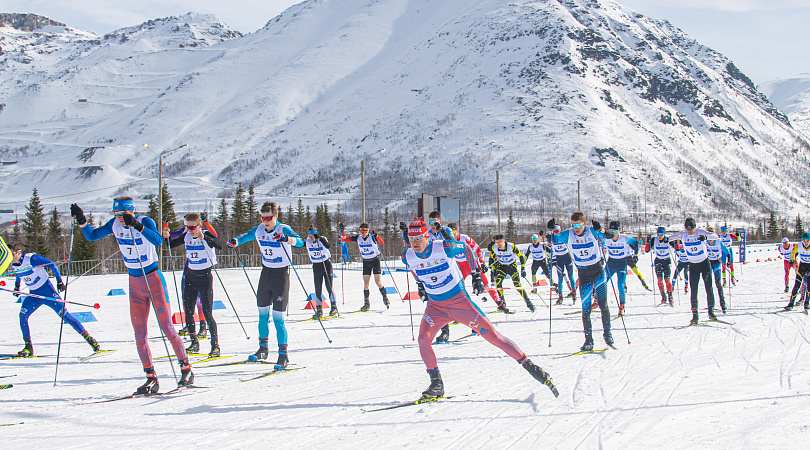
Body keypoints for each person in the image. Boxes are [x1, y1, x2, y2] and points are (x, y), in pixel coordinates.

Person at [403, 219, 558, 399]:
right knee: (423, 339)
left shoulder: (443, 247)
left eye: (418, 238)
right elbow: (413, 268)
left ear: (427, 237)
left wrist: (476, 274)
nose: (414, 242)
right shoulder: (407, 256)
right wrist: (420, 285)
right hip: (435, 307)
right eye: (411, 238)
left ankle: (532, 368)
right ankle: (436, 383)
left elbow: (468, 249)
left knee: (493, 336)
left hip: (459, 302)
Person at [72, 197, 193, 393]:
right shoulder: (114, 224)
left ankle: (186, 369)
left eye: (123, 214)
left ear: (132, 211)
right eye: (116, 214)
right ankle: (151, 377)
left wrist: (136, 225)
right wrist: (82, 220)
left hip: (153, 280)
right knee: (139, 335)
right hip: (135, 283)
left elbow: (157, 241)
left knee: (167, 329)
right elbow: (92, 236)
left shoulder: (145, 221)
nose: (119, 218)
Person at [228, 201, 303, 368]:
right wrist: (234, 241)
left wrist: (286, 239)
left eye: (268, 218)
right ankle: (263, 348)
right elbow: (243, 237)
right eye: (263, 218)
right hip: (265, 274)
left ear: (275, 216)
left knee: (278, 319)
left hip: (281, 276)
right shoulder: (259, 230)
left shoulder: (283, 229)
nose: (265, 221)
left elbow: (300, 242)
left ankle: (283, 355)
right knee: (262, 315)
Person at [9, 242, 102, 357]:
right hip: (33, 295)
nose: (9, 257)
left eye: (11, 254)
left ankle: (90, 340)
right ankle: (28, 347)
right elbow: (19, 273)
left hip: (47, 292)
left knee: (66, 316)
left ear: (18, 252)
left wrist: (59, 281)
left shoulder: (31, 259)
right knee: (23, 316)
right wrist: (17, 286)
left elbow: (52, 264)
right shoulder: (14, 262)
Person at [549, 213, 614, 351]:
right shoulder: (569, 234)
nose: (576, 228)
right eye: (573, 225)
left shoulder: (592, 231)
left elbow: (610, 236)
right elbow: (553, 239)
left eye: (578, 225)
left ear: (584, 223)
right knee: (585, 309)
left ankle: (607, 334)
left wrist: (601, 229)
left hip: (598, 271)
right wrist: (550, 230)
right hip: (584, 274)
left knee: (603, 305)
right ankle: (588, 341)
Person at [163, 213, 222, 357]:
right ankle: (194, 342)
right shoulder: (187, 236)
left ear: (199, 226)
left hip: (205, 278)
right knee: (188, 312)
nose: (190, 230)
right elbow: (170, 245)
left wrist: (205, 238)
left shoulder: (206, 234)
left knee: (208, 313)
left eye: (193, 227)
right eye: (187, 227)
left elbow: (219, 245)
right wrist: (166, 234)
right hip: (190, 277)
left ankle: (215, 346)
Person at [667, 218, 720, 325]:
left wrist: (705, 237)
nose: (690, 230)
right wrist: (664, 239)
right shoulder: (683, 234)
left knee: (709, 288)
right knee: (693, 290)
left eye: (692, 228)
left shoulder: (700, 232)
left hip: (705, 264)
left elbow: (715, 236)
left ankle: (711, 312)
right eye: (687, 228)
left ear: (695, 227)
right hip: (693, 265)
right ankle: (695, 316)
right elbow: (669, 238)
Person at [340, 222, 389, 312]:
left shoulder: (372, 237)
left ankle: (385, 297)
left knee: (378, 282)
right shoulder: (358, 238)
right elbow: (344, 239)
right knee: (366, 284)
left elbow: (381, 242)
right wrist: (342, 231)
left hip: (374, 261)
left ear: (368, 231)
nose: (362, 233)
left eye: (364, 231)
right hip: (366, 262)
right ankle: (366, 303)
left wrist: (377, 236)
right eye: (361, 231)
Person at [488, 235, 535, 312]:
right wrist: (493, 270)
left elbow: (520, 256)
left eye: (500, 243)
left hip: (512, 266)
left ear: (504, 241)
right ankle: (502, 304)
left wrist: (523, 269)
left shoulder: (511, 246)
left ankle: (529, 303)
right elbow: (492, 258)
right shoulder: (494, 247)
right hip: (502, 266)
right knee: (498, 283)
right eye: (496, 243)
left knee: (517, 285)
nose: (498, 245)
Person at [604, 222, 638, 316]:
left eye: (615, 231)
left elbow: (635, 243)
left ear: (619, 230)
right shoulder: (606, 238)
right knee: (601, 282)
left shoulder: (625, 238)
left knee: (620, 285)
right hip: (610, 263)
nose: (613, 233)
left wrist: (635, 255)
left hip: (622, 263)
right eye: (611, 231)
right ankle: (596, 302)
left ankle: (622, 307)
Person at [305, 226, 338, 319]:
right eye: (309, 236)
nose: (310, 238)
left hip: (326, 264)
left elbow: (328, 246)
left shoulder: (322, 239)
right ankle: (319, 310)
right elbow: (298, 244)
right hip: (316, 265)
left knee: (329, 286)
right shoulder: (307, 241)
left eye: (312, 236)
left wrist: (319, 238)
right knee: (317, 288)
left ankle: (333, 307)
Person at [644, 227, 675, 306]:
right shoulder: (654, 239)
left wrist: (675, 242)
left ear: (664, 234)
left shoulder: (668, 239)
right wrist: (648, 242)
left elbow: (677, 248)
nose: (660, 236)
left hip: (666, 260)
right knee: (659, 279)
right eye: (658, 234)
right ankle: (663, 296)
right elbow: (647, 250)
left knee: (667, 279)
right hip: (658, 261)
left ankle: (670, 296)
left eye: (661, 234)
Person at [705, 227, 729, 314]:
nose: (710, 238)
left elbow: (726, 252)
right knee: (708, 284)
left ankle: (723, 304)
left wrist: (729, 260)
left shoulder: (718, 241)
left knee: (718, 283)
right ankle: (711, 304)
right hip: (708, 263)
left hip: (717, 263)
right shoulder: (704, 241)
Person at [550, 225, 577, 305]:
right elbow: (547, 240)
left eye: (557, 231)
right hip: (559, 259)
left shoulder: (564, 237)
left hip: (567, 258)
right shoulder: (552, 238)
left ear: (560, 230)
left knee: (570, 276)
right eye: (555, 231)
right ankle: (560, 296)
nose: (556, 233)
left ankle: (574, 293)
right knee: (560, 278)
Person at [784, 232, 810, 311]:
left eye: (807, 241)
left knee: (809, 285)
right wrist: (792, 259)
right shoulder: (798, 246)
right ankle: (791, 303)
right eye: (804, 241)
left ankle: (807, 303)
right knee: (797, 285)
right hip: (802, 266)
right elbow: (793, 253)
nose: (806, 243)